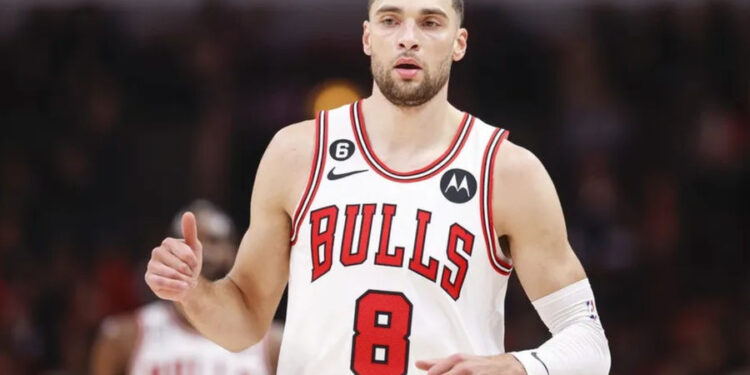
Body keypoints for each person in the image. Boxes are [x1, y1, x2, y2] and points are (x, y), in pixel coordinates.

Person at [144, 0, 611, 374]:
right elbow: (245, 319)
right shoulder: (296, 154)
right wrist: (193, 292)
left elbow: (588, 339)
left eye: (431, 22)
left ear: (458, 43)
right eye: (390, 20)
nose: (408, 37)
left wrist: (520, 366)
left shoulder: (508, 172)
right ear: (368, 38)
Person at [92, 200, 282, 375]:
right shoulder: (123, 337)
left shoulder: (272, 344)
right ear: (169, 250)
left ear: (236, 252)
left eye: (215, 241)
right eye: (193, 241)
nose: (204, 253)